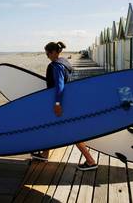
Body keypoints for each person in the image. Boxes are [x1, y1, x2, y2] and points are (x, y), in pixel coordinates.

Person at [31, 41, 98, 171]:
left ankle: (90, 161)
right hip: (69, 102)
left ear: (54, 52)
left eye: (48, 53)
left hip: (62, 104)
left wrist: (57, 104)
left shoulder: (56, 66)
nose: (47, 56)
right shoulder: (65, 62)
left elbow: (60, 87)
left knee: (72, 132)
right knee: (49, 126)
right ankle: (45, 154)